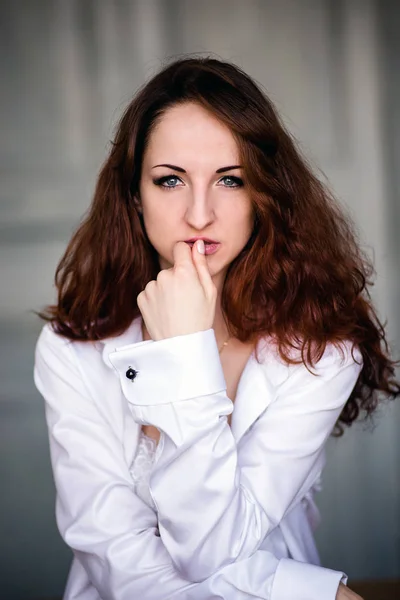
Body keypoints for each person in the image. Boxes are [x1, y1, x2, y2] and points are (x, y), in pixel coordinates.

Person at [34, 57, 399, 600]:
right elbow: (117, 558)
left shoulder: (321, 350)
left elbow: (209, 549)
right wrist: (310, 592)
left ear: (262, 196)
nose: (199, 214)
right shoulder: (71, 349)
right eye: (170, 180)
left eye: (230, 179)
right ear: (135, 196)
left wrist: (183, 355)